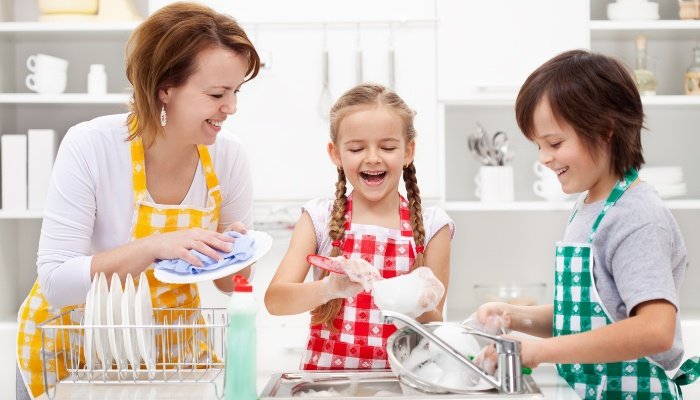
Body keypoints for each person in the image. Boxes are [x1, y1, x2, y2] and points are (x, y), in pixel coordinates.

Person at [15, 3, 260, 399]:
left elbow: (229, 284)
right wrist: (153, 246)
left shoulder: (229, 156)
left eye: (235, 91)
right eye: (217, 93)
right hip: (74, 352)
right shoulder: (91, 145)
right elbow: (57, 283)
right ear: (165, 88)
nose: (230, 107)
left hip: (171, 354)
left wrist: (237, 255)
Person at [475, 50, 699, 399]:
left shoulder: (638, 217)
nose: (544, 158)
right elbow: (588, 317)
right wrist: (515, 315)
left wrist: (540, 351)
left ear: (605, 129)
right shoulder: (589, 207)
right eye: (538, 145)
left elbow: (656, 330)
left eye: (554, 143)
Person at [264, 83, 454, 370]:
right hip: (328, 387)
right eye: (356, 148)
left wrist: (422, 303)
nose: (373, 157)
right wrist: (330, 288)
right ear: (336, 154)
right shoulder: (318, 218)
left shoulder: (433, 226)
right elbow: (275, 301)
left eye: (388, 147)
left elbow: (433, 326)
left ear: (408, 151)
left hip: (399, 386)